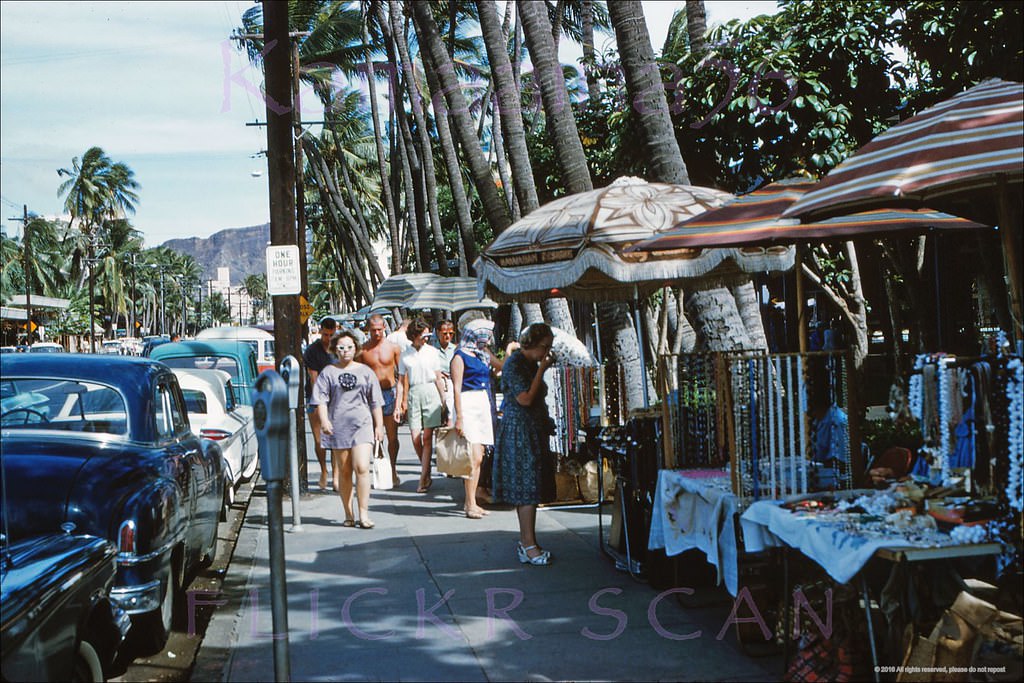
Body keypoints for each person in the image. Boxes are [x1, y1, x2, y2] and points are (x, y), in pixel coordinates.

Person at [493, 323, 557, 565]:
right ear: (532, 344)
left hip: (530, 429)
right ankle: (528, 545)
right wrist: (542, 370)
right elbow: (526, 398)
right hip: (519, 431)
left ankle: (528, 542)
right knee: (526, 489)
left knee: (530, 489)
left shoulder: (528, 363)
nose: (547, 352)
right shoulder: (516, 364)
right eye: (544, 347)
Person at [314, 329, 384, 529]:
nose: (346, 351)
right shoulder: (328, 372)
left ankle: (364, 513)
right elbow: (321, 399)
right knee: (344, 471)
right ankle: (348, 513)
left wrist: (379, 426)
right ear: (335, 349)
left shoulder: (366, 372)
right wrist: (324, 421)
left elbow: (375, 401)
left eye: (350, 347)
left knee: (362, 467)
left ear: (356, 348)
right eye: (341, 348)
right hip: (338, 426)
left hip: (362, 425)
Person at [450, 320, 505, 519]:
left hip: (482, 402)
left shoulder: (482, 353)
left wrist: (509, 350)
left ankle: (471, 500)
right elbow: (456, 387)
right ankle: (470, 502)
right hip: (468, 402)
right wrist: (459, 417)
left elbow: (502, 367)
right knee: (474, 456)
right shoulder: (459, 356)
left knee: (480, 455)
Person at [395, 318, 446, 493]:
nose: (426, 338)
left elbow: (438, 378)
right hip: (414, 394)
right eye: (423, 335)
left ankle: (423, 477)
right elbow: (401, 382)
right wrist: (398, 405)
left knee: (426, 437)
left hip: (431, 392)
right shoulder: (405, 355)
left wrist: (444, 400)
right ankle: (427, 469)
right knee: (415, 437)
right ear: (414, 336)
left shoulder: (432, 352)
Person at [356, 314, 402, 486]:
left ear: (384, 328)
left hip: (389, 393)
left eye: (379, 330)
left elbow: (402, 377)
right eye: (373, 330)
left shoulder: (393, 348)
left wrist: (402, 401)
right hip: (369, 396)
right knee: (374, 436)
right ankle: (377, 471)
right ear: (368, 330)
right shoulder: (363, 350)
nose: (377, 333)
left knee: (392, 436)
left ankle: (393, 469)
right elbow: (357, 375)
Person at [303, 316, 337, 490]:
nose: (328, 339)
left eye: (331, 335)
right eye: (325, 334)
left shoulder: (340, 348)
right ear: (320, 331)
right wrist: (320, 402)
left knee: (336, 439)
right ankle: (324, 470)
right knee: (319, 440)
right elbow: (313, 378)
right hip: (316, 397)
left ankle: (336, 473)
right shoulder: (312, 351)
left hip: (337, 399)